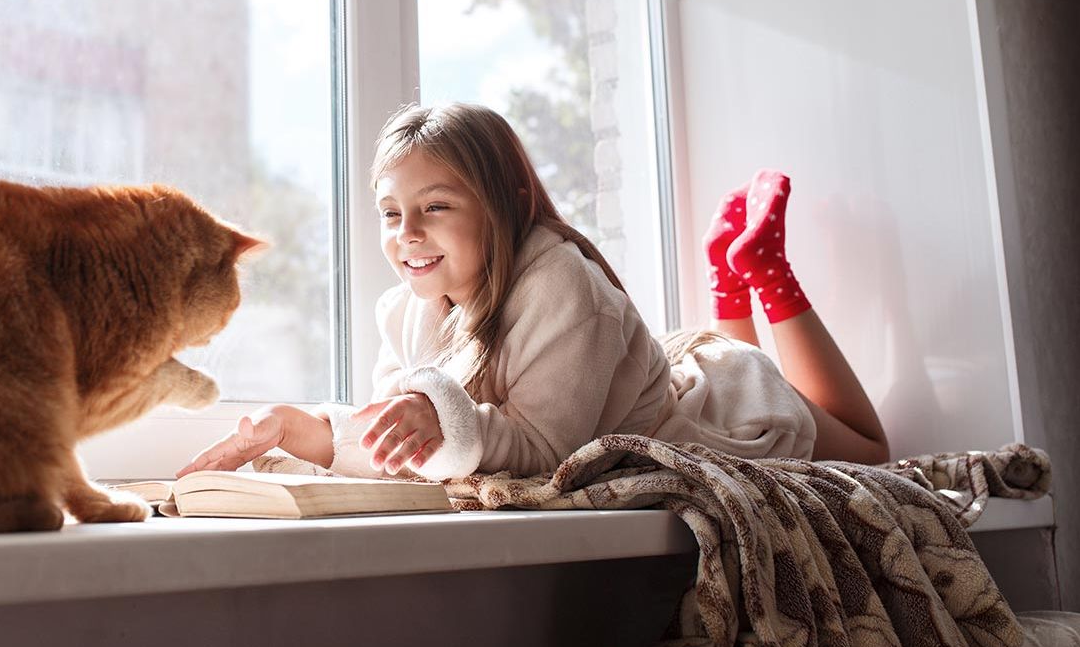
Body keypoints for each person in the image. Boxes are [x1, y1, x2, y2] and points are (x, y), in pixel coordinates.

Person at [178, 103, 889, 482]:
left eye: (436, 207)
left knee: (872, 451)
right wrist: (304, 430)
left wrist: (441, 414)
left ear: (506, 203)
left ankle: (761, 274)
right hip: (657, 373)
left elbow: (549, 449)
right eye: (391, 213)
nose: (408, 234)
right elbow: (401, 442)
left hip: (719, 407)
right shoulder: (403, 312)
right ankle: (730, 276)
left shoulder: (560, 282)